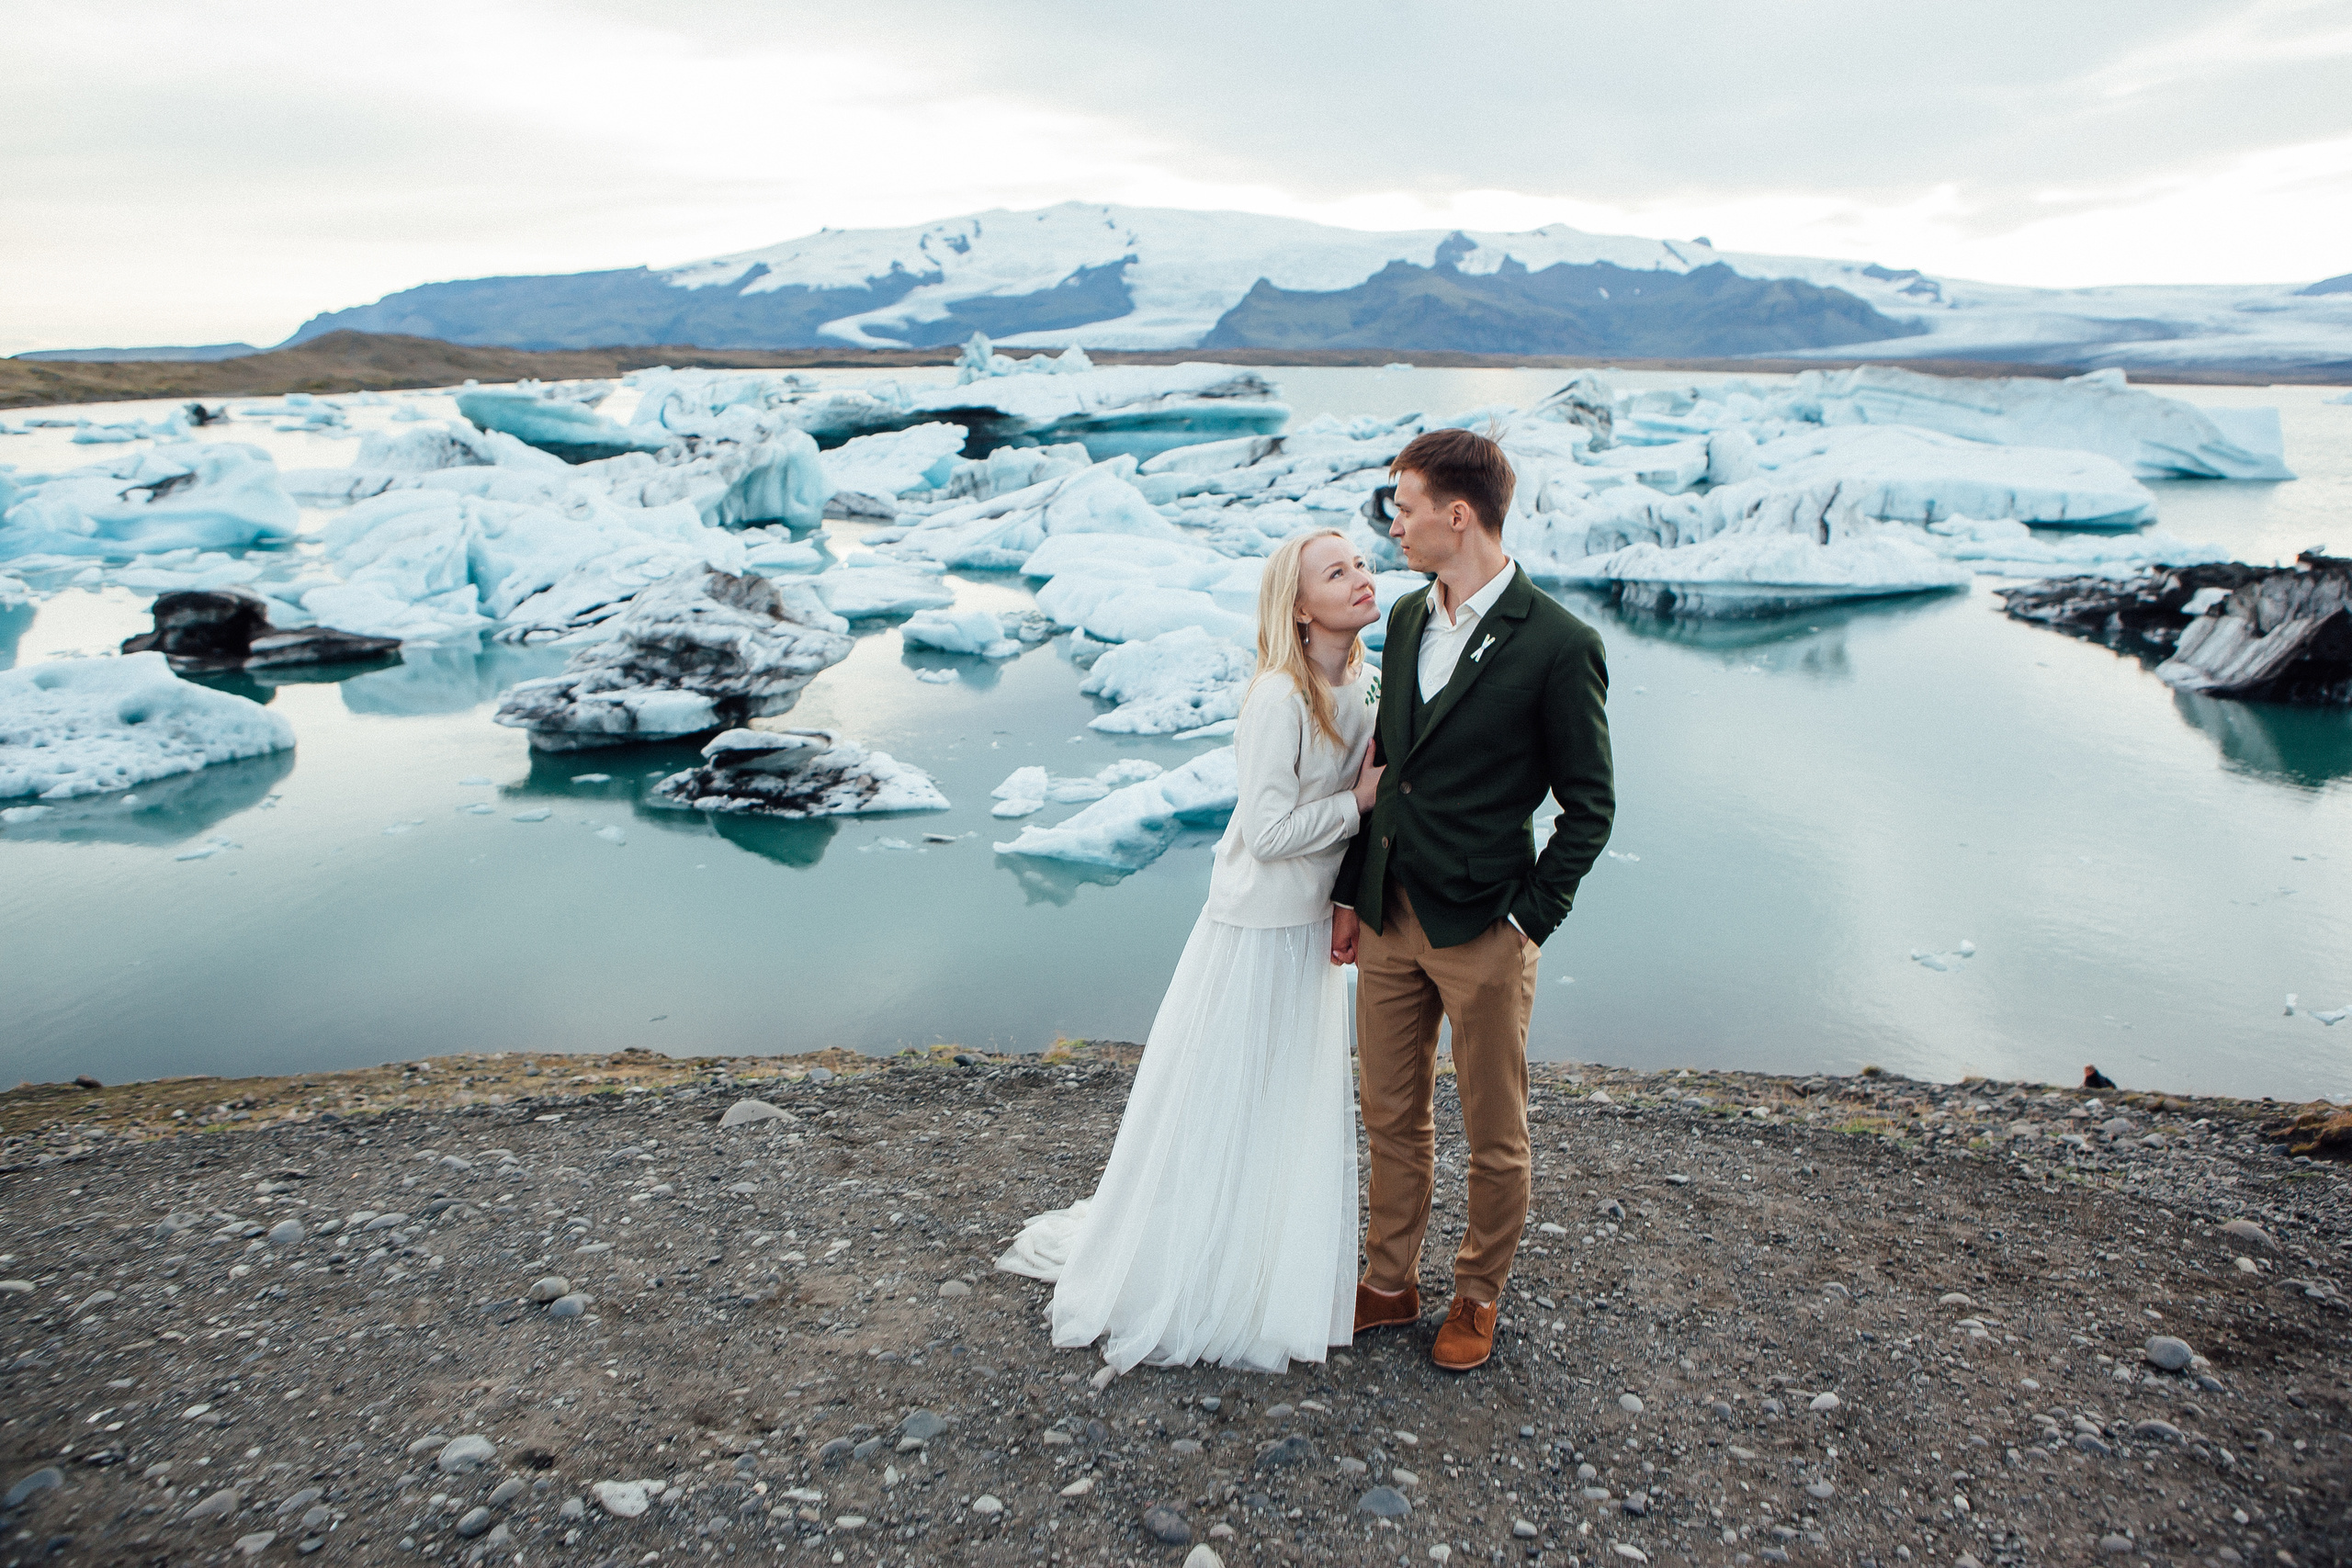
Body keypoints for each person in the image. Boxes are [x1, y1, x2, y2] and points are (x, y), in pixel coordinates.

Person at [997, 528, 1385, 1373]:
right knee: (1226, 1097)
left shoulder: (1361, 682)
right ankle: (1195, 1269)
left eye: (1360, 562)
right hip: (1254, 931)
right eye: (1337, 571)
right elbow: (1270, 830)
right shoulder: (1279, 696)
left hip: (1311, 925)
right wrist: (1358, 801)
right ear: (1299, 603)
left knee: (1284, 1099)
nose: (1361, 576)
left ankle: (1263, 1260)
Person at [1332, 427, 1614, 1373]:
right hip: (1387, 915)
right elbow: (1388, 771)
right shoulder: (1409, 617)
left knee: (1493, 1130)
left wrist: (1528, 918)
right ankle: (1387, 1279)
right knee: (1389, 1111)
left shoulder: (1560, 644)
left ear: (1459, 516)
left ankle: (1477, 1294)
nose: (1394, 525)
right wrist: (1349, 894)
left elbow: (1589, 807)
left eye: (1404, 507)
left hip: (1485, 924)